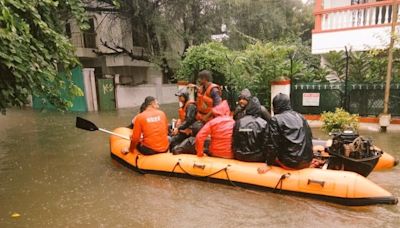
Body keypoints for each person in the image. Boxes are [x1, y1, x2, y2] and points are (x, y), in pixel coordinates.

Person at [258, 93, 313, 173]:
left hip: (291, 163)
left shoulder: (276, 119)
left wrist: (268, 164)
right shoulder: (300, 116)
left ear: (275, 106)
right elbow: (309, 137)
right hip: (307, 160)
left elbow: (272, 145)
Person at [232, 97, 270, 162]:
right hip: (257, 156)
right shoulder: (263, 123)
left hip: (239, 155)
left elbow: (234, 141)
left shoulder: (238, 122)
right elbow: (266, 143)